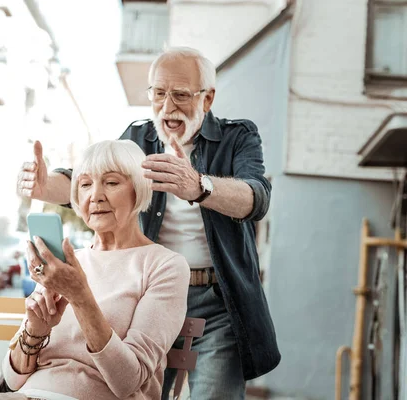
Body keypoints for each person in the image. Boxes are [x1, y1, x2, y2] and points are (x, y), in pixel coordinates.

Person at [17, 46, 281, 399]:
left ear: (207, 98)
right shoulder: (139, 137)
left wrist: (199, 185)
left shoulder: (238, 137)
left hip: (217, 298)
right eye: (158, 93)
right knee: (139, 389)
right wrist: (45, 186)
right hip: (149, 294)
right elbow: (95, 180)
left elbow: (256, 198)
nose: (167, 107)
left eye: (181, 95)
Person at [4, 140, 190, 400]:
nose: (96, 195)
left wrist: (80, 297)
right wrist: (35, 330)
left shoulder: (165, 266)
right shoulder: (65, 263)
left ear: (139, 189)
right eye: (85, 184)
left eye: (112, 182)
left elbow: (128, 381)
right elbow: (12, 379)